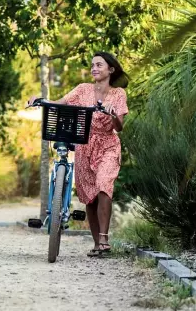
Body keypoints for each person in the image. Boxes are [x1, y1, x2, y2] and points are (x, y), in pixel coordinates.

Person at [32, 52, 128, 257]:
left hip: (108, 145)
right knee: (90, 197)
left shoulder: (118, 94)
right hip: (84, 145)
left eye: (99, 65)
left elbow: (119, 127)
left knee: (104, 186)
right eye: (92, 65)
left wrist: (112, 114)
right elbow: (60, 102)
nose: (94, 68)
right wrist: (41, 100)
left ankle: (104, 238)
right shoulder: (82, 89)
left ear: (111, 69)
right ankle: (97, 244)